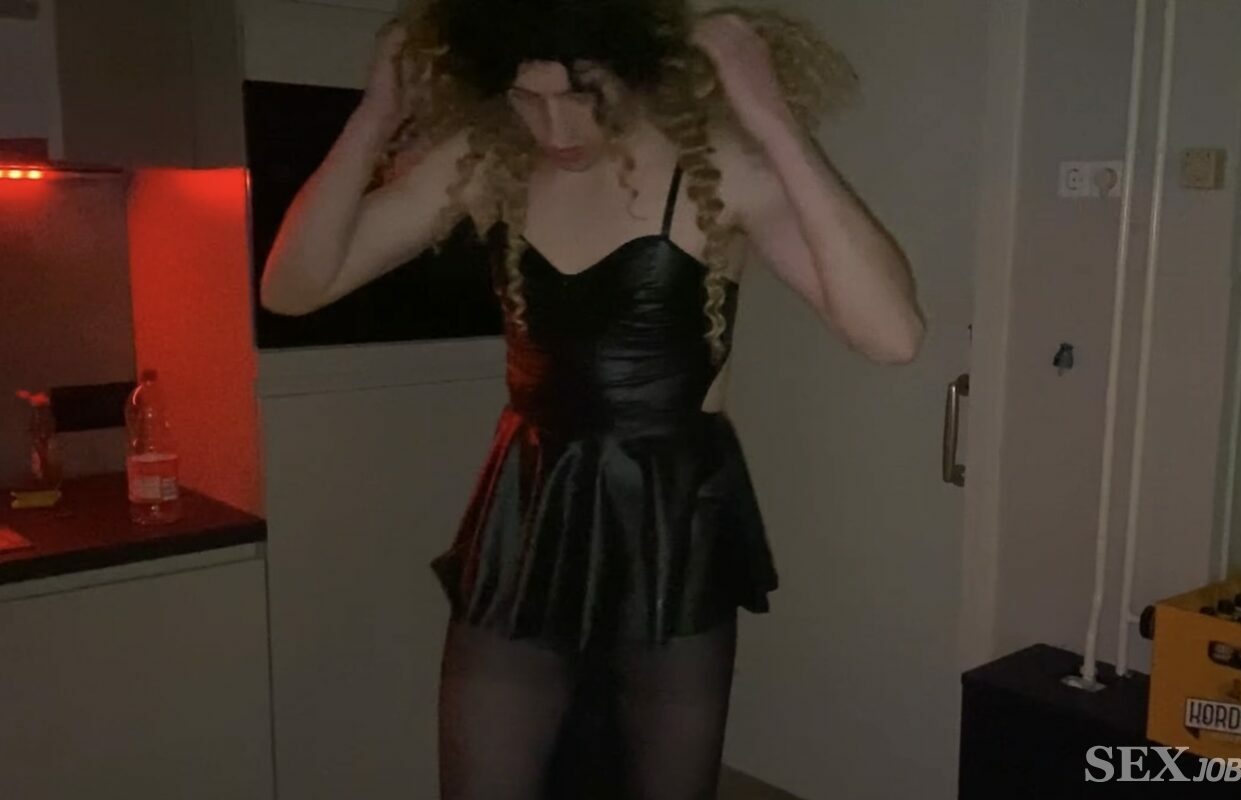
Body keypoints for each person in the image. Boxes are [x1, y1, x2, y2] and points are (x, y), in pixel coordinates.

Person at [259, 0, 924, 797]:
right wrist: (375, 117)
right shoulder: (489, 161)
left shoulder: (716, 168)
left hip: (670, 525)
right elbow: (292, 289)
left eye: (582, 93)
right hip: (529, 514)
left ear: (639, 67)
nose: (555, 127)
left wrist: (774, 122)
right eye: (525, 96)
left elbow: (893, 336)